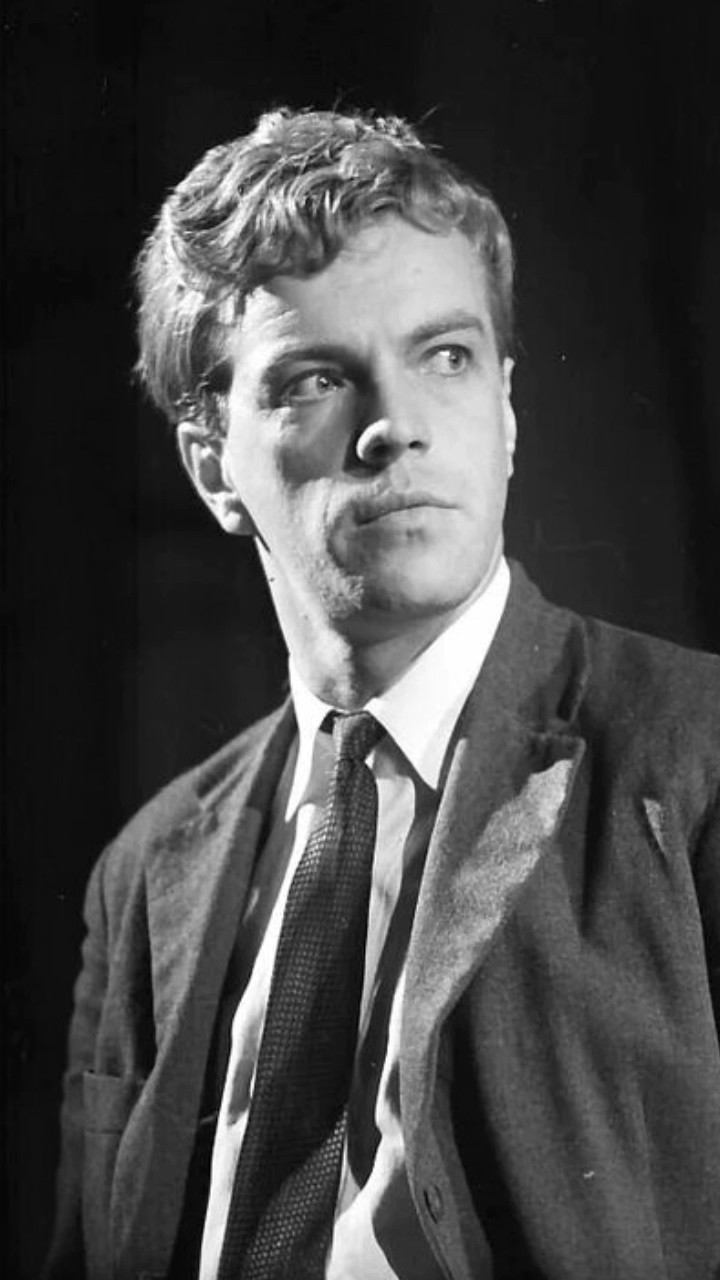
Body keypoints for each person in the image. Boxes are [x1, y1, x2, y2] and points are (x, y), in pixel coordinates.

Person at [44, 107, 720, 1280]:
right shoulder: (145, 869)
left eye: (445, 356)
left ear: (507, 408)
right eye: (317, 378)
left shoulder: (695, 754)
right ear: (212, 466)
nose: (394, 429)